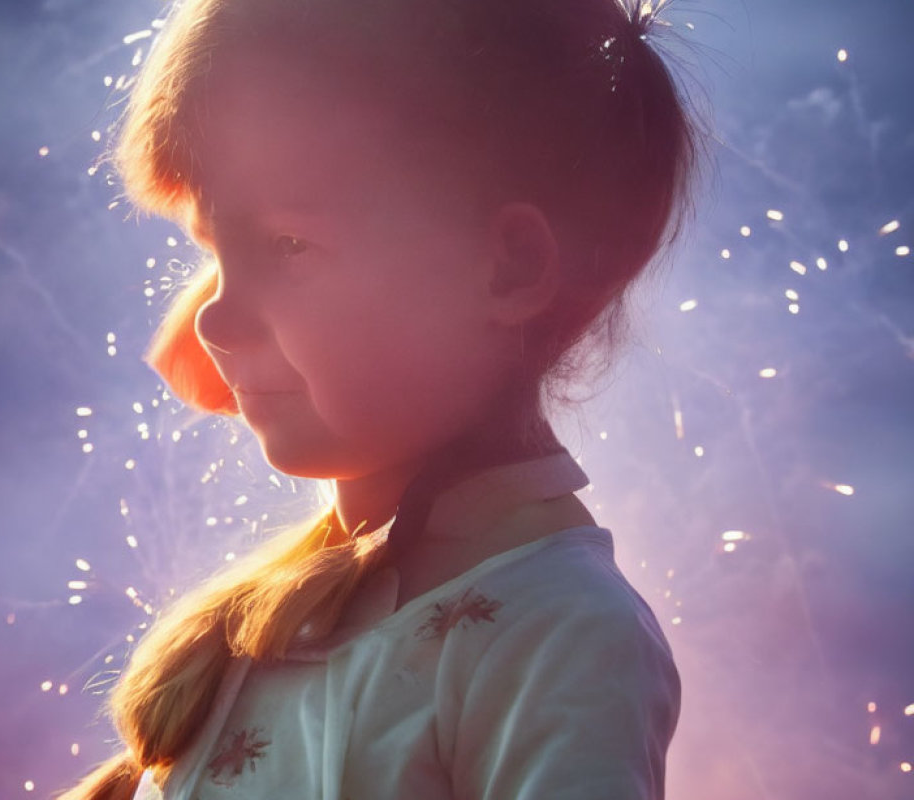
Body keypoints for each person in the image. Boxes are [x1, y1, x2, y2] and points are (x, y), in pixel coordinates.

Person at [63, 0, 700, 797]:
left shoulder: (556, 635)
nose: (215, 317)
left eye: (288, 245)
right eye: (213, 252)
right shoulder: (275, 623)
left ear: (508, 269)